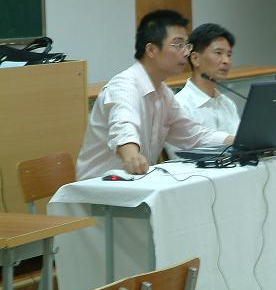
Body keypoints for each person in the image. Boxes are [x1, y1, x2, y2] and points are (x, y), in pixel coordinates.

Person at [76, 10, 234, 180]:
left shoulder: (164, 94)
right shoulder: (124, 86)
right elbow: (123, 126)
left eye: (187, 45)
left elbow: (194, 136)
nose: (186, 53)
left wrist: (240, 141)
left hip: (136, 184)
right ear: (151, 49)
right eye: (178, 45)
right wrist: (131, 155)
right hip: (98, 187)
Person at [165, 23, 240, 159]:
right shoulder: (179, 106)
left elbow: (243, 145)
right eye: (218, 53)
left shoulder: (227, 104)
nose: (226, 61)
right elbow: (180, 159)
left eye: (229, 55)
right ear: (195, 59)